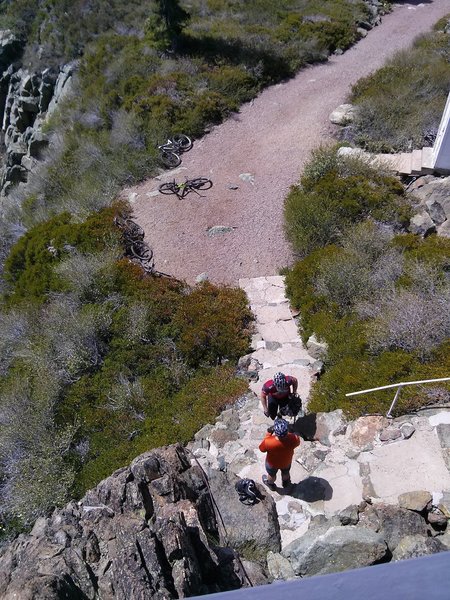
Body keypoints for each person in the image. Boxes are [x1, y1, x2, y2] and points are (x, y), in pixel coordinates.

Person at [259, 417, 300, 491]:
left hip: (272, 463)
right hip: (286, 461)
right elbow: (297, 439)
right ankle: (286, 483)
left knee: (272, 475)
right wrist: (292, 432)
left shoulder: (268, 442)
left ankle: (270, 484)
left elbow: (262, 449)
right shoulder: (294, 439)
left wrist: (268, 433)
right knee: (286, 472)